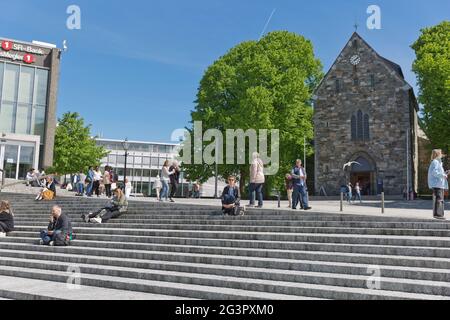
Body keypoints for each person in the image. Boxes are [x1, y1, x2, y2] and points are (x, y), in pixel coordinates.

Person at [428, 149, 449, 220]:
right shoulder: (435, 162)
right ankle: (438, 214)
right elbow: (435, 173)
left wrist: (445, 173)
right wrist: (443, 175)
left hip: (438, 184)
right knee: (439, 200)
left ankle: (438, 214)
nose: (442, 154)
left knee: (439, 199)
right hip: (437, 184)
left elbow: (437, 172)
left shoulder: (437, 162)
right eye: (441, 153)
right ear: (438, 154)